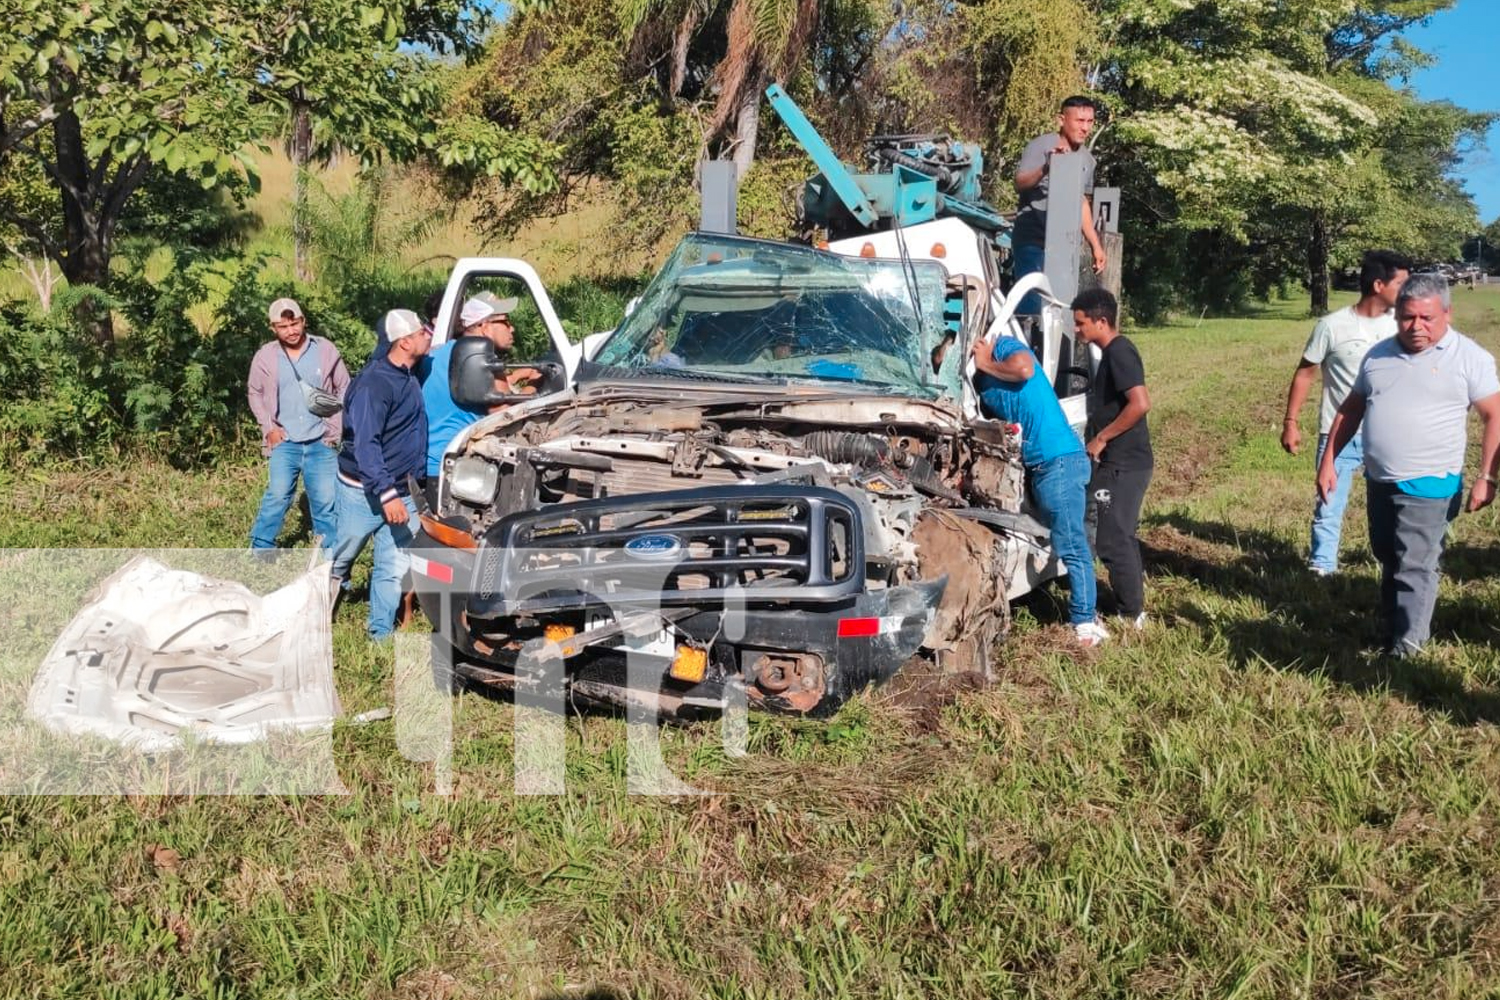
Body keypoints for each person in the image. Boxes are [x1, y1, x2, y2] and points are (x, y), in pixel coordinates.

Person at [1317, 273, 1500, 657]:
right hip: (1381, 478)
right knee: (1388, 555)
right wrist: (1329, 460)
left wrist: (1487, 477)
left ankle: (1408, 648)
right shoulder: (1379, 354)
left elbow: (1494, 416)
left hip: (1432, 481)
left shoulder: (1470, 358)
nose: (1416, 326)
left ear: (1447, 314)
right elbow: (1350, 409)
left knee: (1415, 563)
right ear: (1396, 314)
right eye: (1407, 317)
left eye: (1427, 318)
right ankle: (1394, 627)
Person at [972, 331, 1109, 646]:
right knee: (1058, 537)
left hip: (1058, 461)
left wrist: (985, 361)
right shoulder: (977, 377)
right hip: (1042, 466)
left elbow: (1024, 370)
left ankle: (1084, 624)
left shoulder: (1003, 346)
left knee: (1072, 545)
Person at [1282, 249, 1411, 575]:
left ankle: (1395, 562)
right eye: (1402, 284)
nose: (1407, 292)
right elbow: (1305, 373)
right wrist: (1291, 422)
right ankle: (1322, 565)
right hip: (1339, 433)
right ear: (1379, 285)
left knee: (1392, 503)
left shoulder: (1402, 327)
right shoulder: (1332, 326)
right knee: (1329, 500)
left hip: (1388, 435)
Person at [331, 308, 433, 640]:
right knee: (341, 557)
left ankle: (379, 634)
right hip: (365, 492)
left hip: (404, 489)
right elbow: (366, 444)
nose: (426, 337)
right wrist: (387, 493)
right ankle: (312, 613)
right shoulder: (374, 384)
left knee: (392, 566)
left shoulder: (408, 373)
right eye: (421, 333)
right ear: (404, 342)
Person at [1072, 288, 1152, 629]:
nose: (1077, 330)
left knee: (1111, 539)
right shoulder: (1112, 352)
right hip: (1126, 461)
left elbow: (1140, 403)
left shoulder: (1119, 352)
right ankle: (1134, 605)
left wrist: (1101, 438)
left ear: (1101, 321)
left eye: (1081, 324)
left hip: (1124, 462)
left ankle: (1131, 613)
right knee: (1121, 533)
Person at [246, 297, 349, 555]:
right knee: (278, 496)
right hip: (285, 441)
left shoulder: (324, 349)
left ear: (303, 321)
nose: (291, 331)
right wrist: (268, 428)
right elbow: (254, 392)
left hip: (320, 440)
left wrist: (334, 429)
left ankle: (327, 558)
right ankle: (261, 551)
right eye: (283, 326)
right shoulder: (265, 356)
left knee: (326, 501)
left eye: (295, 323)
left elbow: (344, 386)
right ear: (273, 328)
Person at [419, 292, 537, 497]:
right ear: (484, 325)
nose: (512, 328)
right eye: (506, 322)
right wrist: (534, 384)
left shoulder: (439, 352)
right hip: (460, 470)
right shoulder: (483, 360)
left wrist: (515, 376)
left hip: (430, 463)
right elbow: (506, 417)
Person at [1011, 96, 1109, 315]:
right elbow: (1020, 183)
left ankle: (1057, 349)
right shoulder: (1042, 145)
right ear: (1061, 120)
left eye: (1090, 122)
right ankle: (1027, 347)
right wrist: (1046, 168)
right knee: (1033, 306)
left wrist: (1096, 245)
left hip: (1065, 247)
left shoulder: (1087, 160)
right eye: (1079, 121)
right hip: (1033, 241)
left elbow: (1081, 202)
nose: (1085, 128)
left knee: (1061, 308)